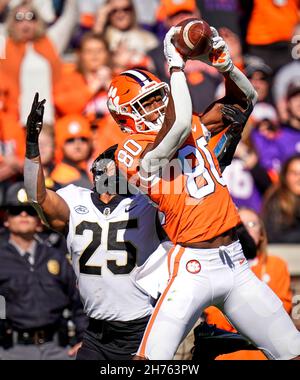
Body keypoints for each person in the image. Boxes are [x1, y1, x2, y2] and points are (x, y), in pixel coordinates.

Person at [108, 26, 300, 359]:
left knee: (292, 351)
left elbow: (246, 100)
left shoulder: (192, 122)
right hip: (191, 266)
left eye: (158, 97)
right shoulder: (130, 150)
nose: (156, 105)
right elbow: (179, 125)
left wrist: (226, 65)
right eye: (146, 102)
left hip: (235, 261)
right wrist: (176, 64)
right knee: (149, 362)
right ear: (126, 117)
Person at [23, 96, 173, 360]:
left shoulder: (145, 204)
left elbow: (181, 188)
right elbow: (38, 198)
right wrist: (32, 147)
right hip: (95, 331)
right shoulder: (75, 198)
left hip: (140, 328)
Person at [0, 182, 87, 360]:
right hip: (10, 350)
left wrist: (84, 340)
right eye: (16, 211)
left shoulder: (56, 256)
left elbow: (78, 302)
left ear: (40, 219)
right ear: (6, 219)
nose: (24, 215)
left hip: (58, 348)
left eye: (31, 211)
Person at [204, 207, 293, 360]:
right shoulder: (215, 267)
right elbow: (215, 317)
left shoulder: (276, 265)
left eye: (252, 224)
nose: (246, 230)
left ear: (262, 233)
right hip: (229, 351)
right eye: (240, 224)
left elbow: (282, 310)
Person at [262, 154, 300, 244]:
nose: (299, 178)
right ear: (285, 176)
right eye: (295, 173)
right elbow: (275, 236)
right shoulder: (275, 200)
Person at [51, 114, 94, 189]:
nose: (78, 145)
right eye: (70, 140)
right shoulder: (61, 178)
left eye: (83, 139)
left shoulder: (87, 171)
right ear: (59, 144)